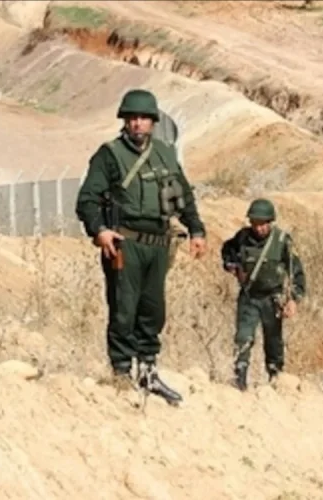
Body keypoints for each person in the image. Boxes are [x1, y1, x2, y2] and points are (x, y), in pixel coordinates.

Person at [75, 88, 207, 406]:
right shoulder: (110, 154)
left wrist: (196, 229)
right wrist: (100, 230)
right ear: (124, 120)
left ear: (153, 122)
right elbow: (87, 200)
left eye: (143, 118)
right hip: (126, 244)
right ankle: (121, 375)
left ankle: (148, 373)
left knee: (152, 311)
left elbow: (182, 195)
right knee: (124, 309)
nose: (137, 124)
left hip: (159, 245)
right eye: (132, 118)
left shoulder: (165, 153)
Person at [220, 198, 306, 391]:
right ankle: (240, 377)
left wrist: (293, 299)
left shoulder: (282, 241)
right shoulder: (242, 237)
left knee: (273, 340)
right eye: (255, 223)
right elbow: (227, 250)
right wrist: (232, 265)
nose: (259, 228)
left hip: (272, 297)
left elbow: (296, 271)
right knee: (243, 337)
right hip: (249, 296)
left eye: (263, 224)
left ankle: (275, 376)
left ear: (270, 221)